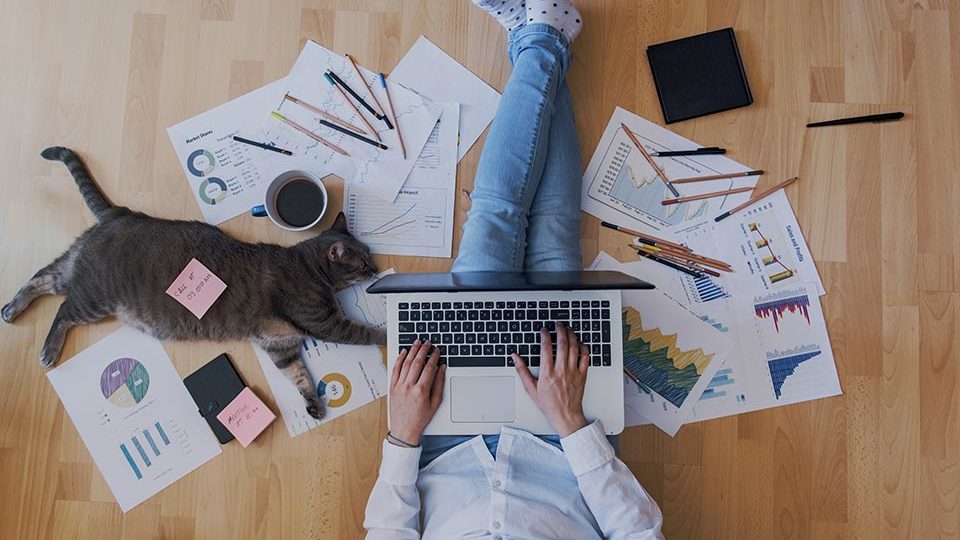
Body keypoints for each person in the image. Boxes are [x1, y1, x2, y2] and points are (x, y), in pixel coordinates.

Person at [363, 1, 664, 537]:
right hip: (563, 446)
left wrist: (402, 438)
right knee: (545, 228)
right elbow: (638, 532)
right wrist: (571, 422)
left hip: (441, 441)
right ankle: (543, 34)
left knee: (502, 222)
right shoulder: (567, 429)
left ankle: (544, 35)